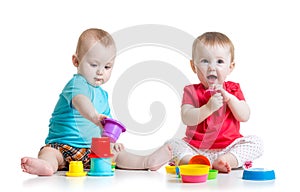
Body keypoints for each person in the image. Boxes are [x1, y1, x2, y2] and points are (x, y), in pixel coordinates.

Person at [21, 28, 172, 176]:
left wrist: (112, 143)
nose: (100, 72)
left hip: (94, 152)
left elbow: (105, 129)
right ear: (76, 61)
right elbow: (81, 102)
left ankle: (146, 161)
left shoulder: (103, 95)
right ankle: (46, 165)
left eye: (107, 66)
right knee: (49, 152)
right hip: (62, 146)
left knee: (118, 154)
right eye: (94, 65)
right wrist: (94, 116)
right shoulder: (76, 84)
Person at [166, 32, 263, 173]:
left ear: (230, 67)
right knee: (171, 144)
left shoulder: (233, 89)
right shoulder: (191, 91)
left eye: (219, 62)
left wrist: (230, 99)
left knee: (256, 142)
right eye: (205, 61)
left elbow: (244, 116)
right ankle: (194, 162)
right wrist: (208, 108)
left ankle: (226, 160)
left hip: (229, 147)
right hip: (196, 149)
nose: (212, 67)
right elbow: (187, 118)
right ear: (193, 67)